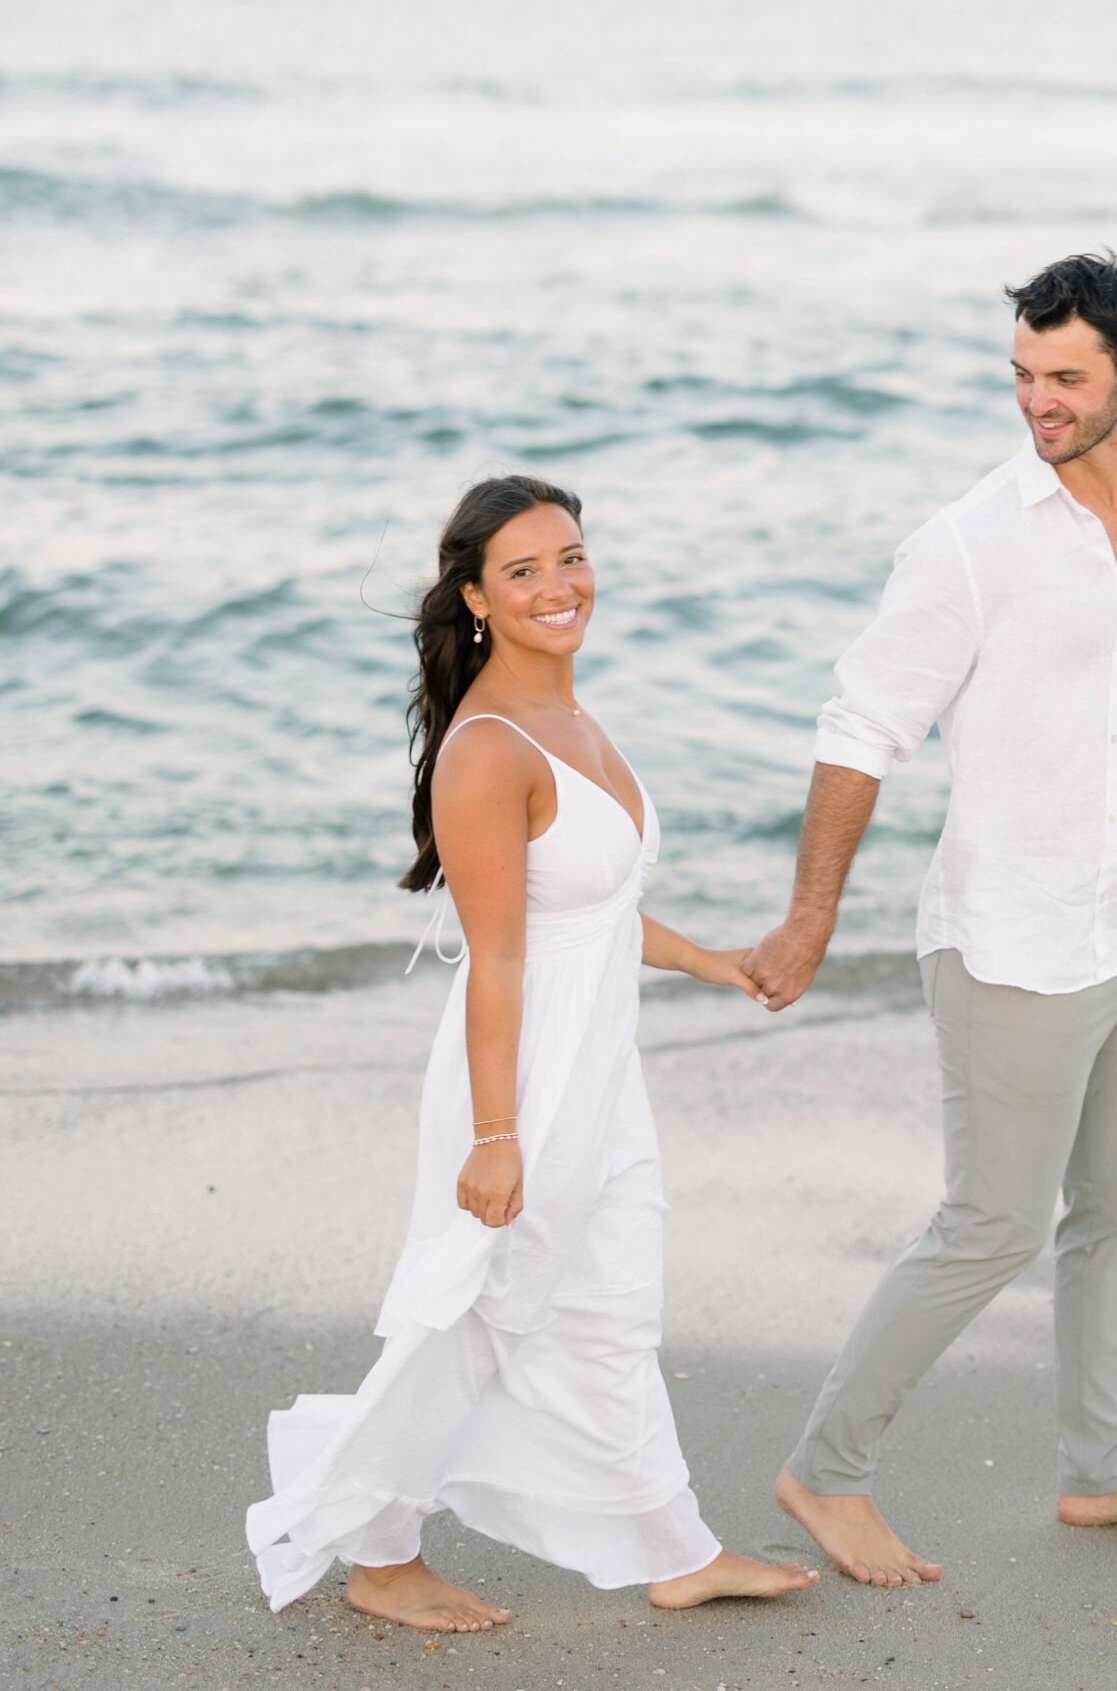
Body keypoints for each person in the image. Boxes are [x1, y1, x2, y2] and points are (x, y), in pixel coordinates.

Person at [746, 252, 1117, 1588]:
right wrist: (808, 921)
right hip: (1012, 942)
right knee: (990, 1223)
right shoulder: (971, 540)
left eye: (1064, 377)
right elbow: (860, 728)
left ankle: (1100, 1473)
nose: (1036, 399)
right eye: (1021, 374)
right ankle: (825, 1473)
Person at [248, 475, 816, 1632]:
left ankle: (672, 1545)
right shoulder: (487, 750)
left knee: (611, 1303)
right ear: (476, 599)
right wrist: (497, 1137)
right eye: (524, 571)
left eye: (572, 557)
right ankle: (374, 1548)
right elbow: (498, 960)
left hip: (602, 1070)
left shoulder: (575, 719)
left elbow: (594, 914)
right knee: (476, 1313)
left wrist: (720, 961)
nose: (560, 585)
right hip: (523, 1081)